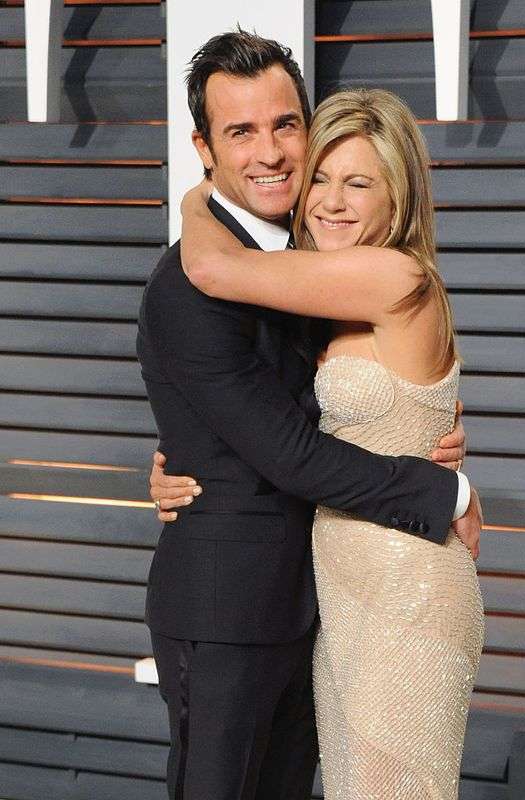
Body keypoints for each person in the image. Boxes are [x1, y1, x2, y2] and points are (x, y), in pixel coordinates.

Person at [138, 30, 480, 800]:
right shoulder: (194, 288)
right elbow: (288, 446)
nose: (271, 153)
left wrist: (430, 438)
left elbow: (345, 404)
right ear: (204, 146)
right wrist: (440, 489)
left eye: (285, 125)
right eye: (240, 132)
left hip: (337, 595)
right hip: (234, 608)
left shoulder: (317, 268)